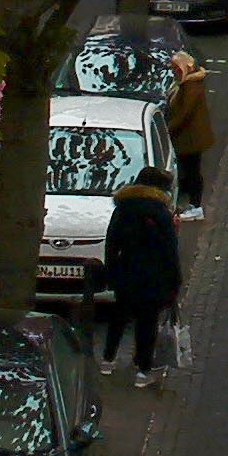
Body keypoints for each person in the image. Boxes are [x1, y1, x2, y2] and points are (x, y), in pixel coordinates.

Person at [96, 164, 182, 388]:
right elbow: (169, 251)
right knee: (147, 322)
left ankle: (108, 359)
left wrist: (112, 271)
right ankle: (143, 370)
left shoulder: (123, 208)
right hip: (153, 276)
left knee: (119, 317)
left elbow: (112, 242)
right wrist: (175, 281)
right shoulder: (160, 213)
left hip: (126, 272)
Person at [163, 50, 214, 218]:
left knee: (192, 171)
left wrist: (167, 130)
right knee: (187, 170)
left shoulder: (191, 86)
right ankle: (189, 203)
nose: (174, 72)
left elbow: (185, 114)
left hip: (191, 138)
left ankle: (195, 206)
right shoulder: (185, 83)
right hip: (187, 137)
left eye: (176, 68)